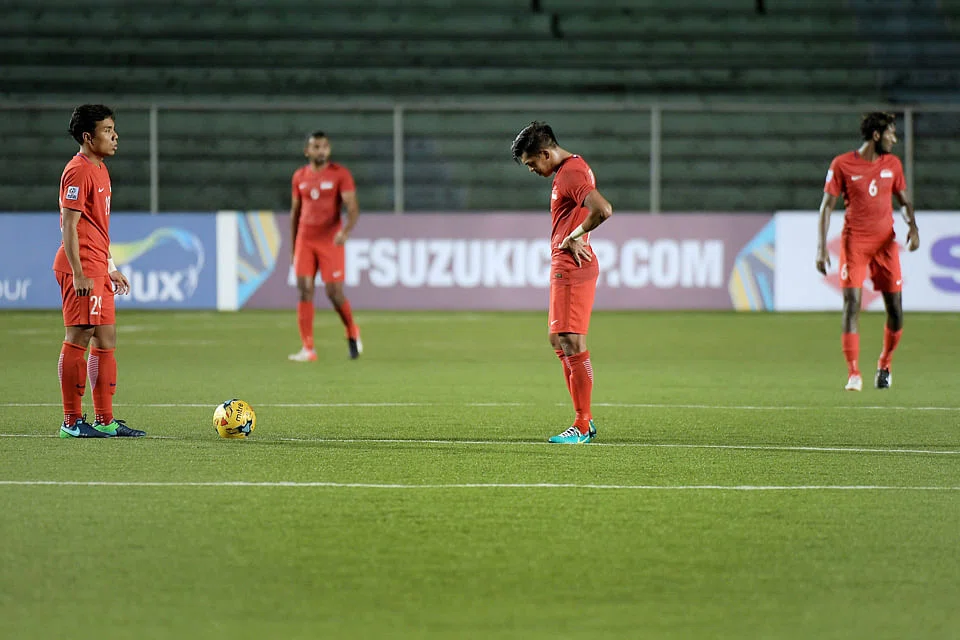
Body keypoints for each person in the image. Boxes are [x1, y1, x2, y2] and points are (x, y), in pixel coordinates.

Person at [511, 121, 613, 443]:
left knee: (571, 341)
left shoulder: (571, 173)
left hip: (572, 266)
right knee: (558, 340)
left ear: (545, 153)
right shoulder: (568, 171)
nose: (532, 170)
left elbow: (603, 209)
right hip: (564, 265)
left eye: (531, 164)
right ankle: (584, 421)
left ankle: (582, 425)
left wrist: (574, 236)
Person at [54, 104, 145, 438]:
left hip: (97, 265)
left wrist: (110, 267)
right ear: (88, 137)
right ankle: (71, 422)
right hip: (81, 268)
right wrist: (79, 272)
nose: (115, 136)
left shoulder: (100, 169)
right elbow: (69, 225)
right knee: (79, 336)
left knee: (106, 339)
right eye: (107, 130)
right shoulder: (77, 171)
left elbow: (96, 227)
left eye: (113, 129)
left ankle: (105, 420)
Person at [816, 112, 920, 391]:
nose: (894, 139)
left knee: (895, 310)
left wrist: (913, 227)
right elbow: (827, 207)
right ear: (876, 135)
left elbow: (904, 202)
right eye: (891, 134)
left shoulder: (893, 165)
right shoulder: (842, 164)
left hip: (886, 245)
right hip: (855, 244)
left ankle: (885, 364)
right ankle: (853, 373)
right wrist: (821, 248)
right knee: (851, 303)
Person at [287, 131, 362, 361]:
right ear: (307, 151)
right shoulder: (299, 176)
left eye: (324, 147)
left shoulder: (340, 175)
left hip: (330, 240)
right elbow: (295, 212)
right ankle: (308, 348)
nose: (321, 151)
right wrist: (293, 246)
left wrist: (345, 231)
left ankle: (352, 330)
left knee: (334, 293)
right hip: (305, 239)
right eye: (316, 147)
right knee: (304, 289)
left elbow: (352, 207)